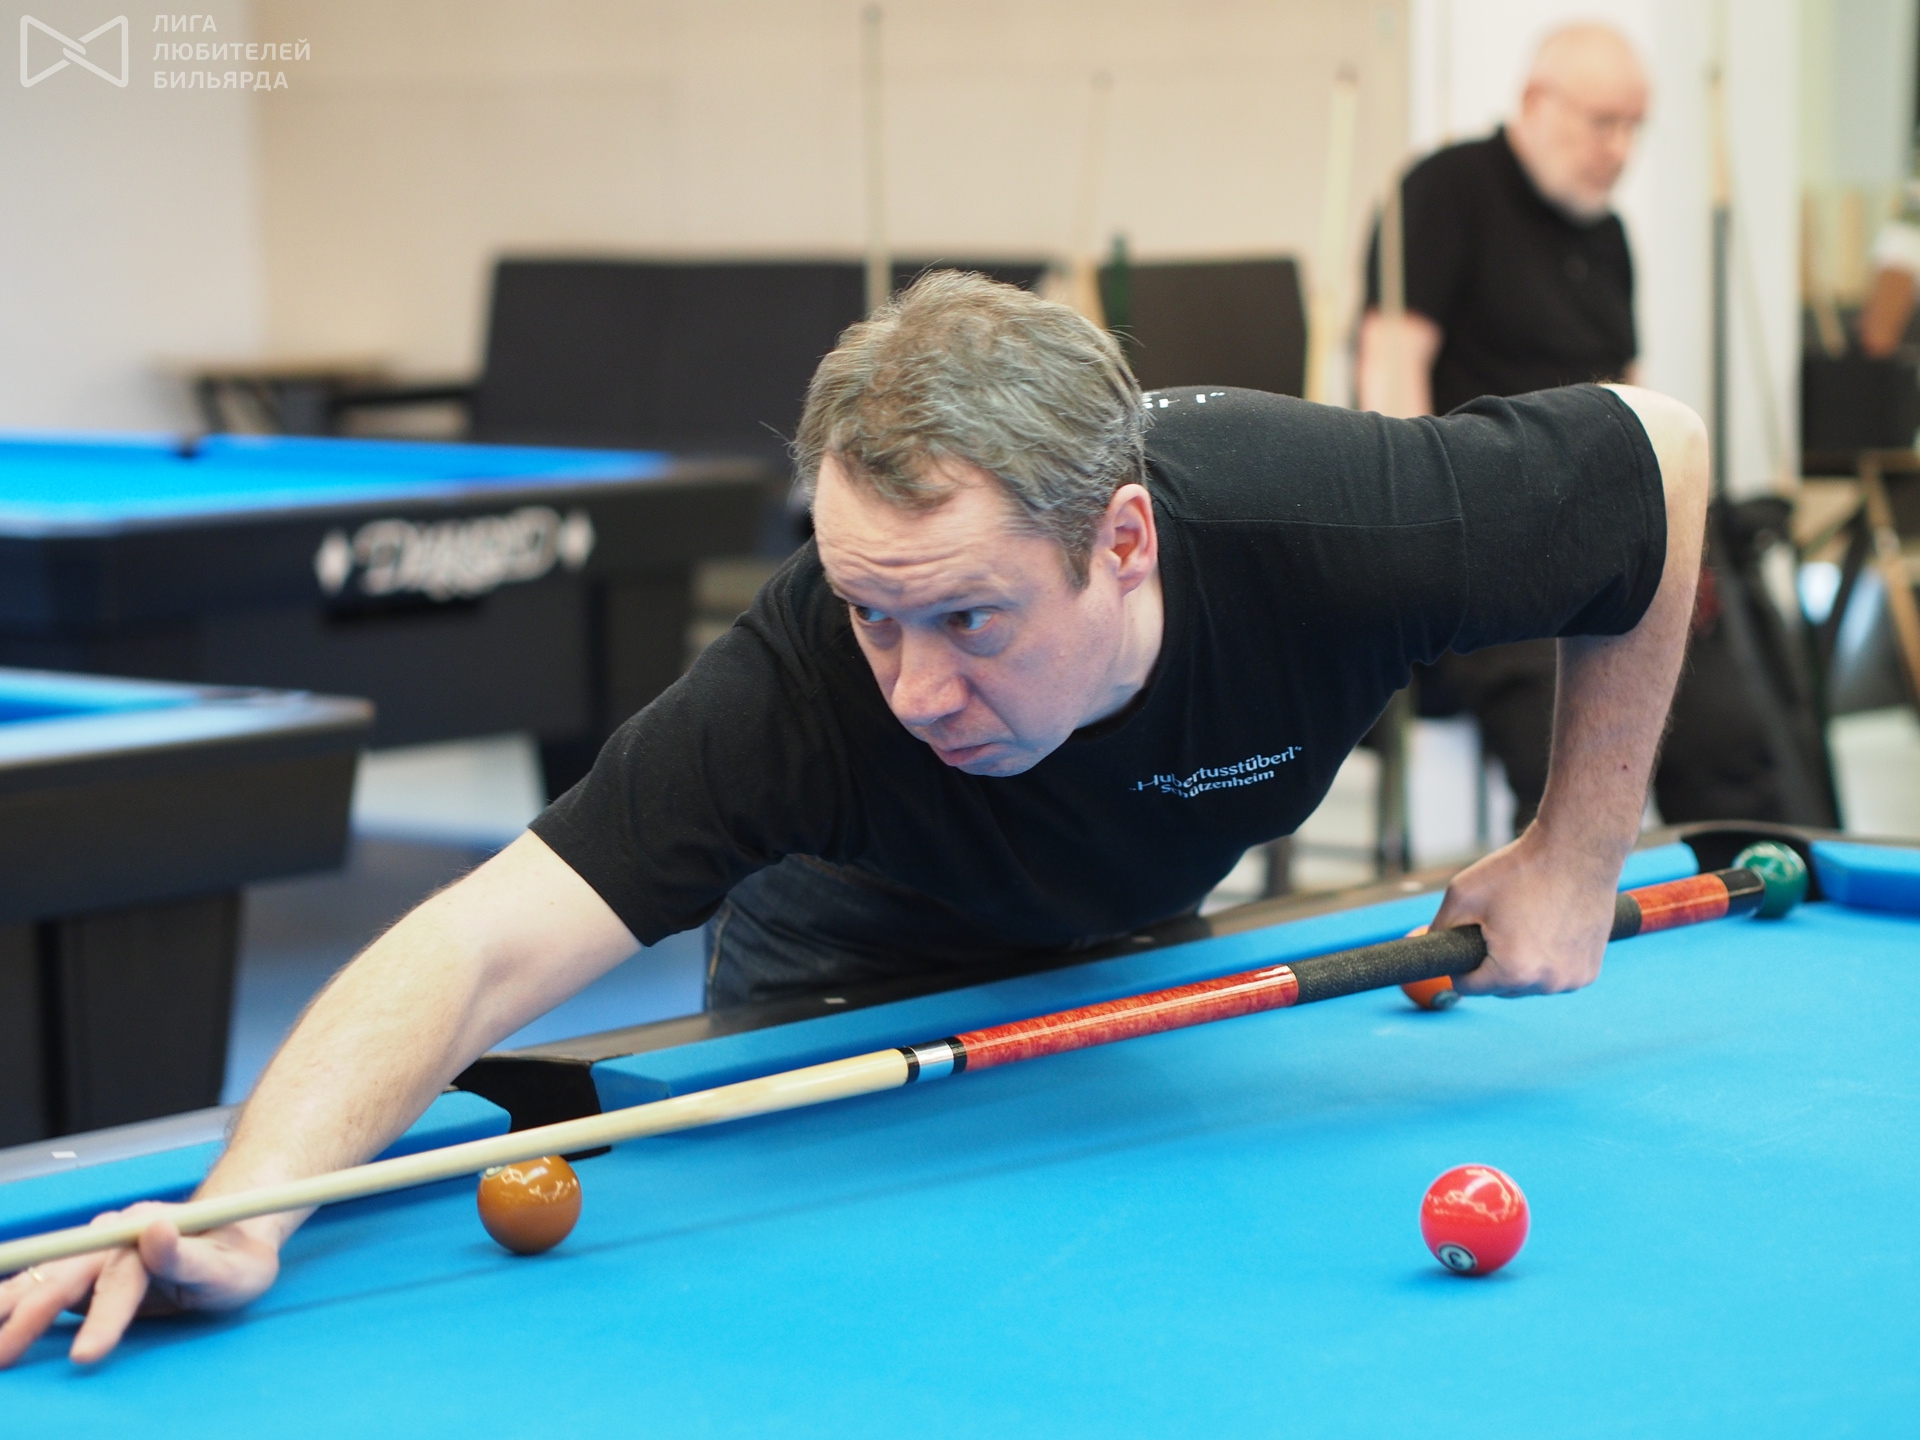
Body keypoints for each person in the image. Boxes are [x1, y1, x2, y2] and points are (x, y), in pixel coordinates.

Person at [0, 271, 1706, 1366]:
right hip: (846, 972)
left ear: (1123, 544)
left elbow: (1661, 457)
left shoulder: (1339, 531)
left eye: (969, 617)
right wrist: (251, 1209)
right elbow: (478, 947)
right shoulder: (807, 685)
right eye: (871, 611)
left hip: (1132, 940)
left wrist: (1576, 850)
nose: (913, 687)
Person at [1358, 22, 1648, 830]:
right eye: (1604, 123)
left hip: (1601, 542)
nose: (1622, 150)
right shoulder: (1445, 190)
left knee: (1735, 703)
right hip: (1491, 542)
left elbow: (1636, 404)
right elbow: (1390, 379)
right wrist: (1430, 534)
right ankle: (1564, 883)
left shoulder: (1610, 235)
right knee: (1563, 740)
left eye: (1635, 127)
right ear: (1536, 103)